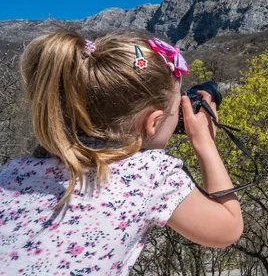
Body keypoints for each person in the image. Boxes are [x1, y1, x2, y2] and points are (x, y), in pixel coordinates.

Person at [0, 30, 243, 275]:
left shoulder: (12, 171)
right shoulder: (149, 173)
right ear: (153, 123)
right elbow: (228, 228)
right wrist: (204, 140)